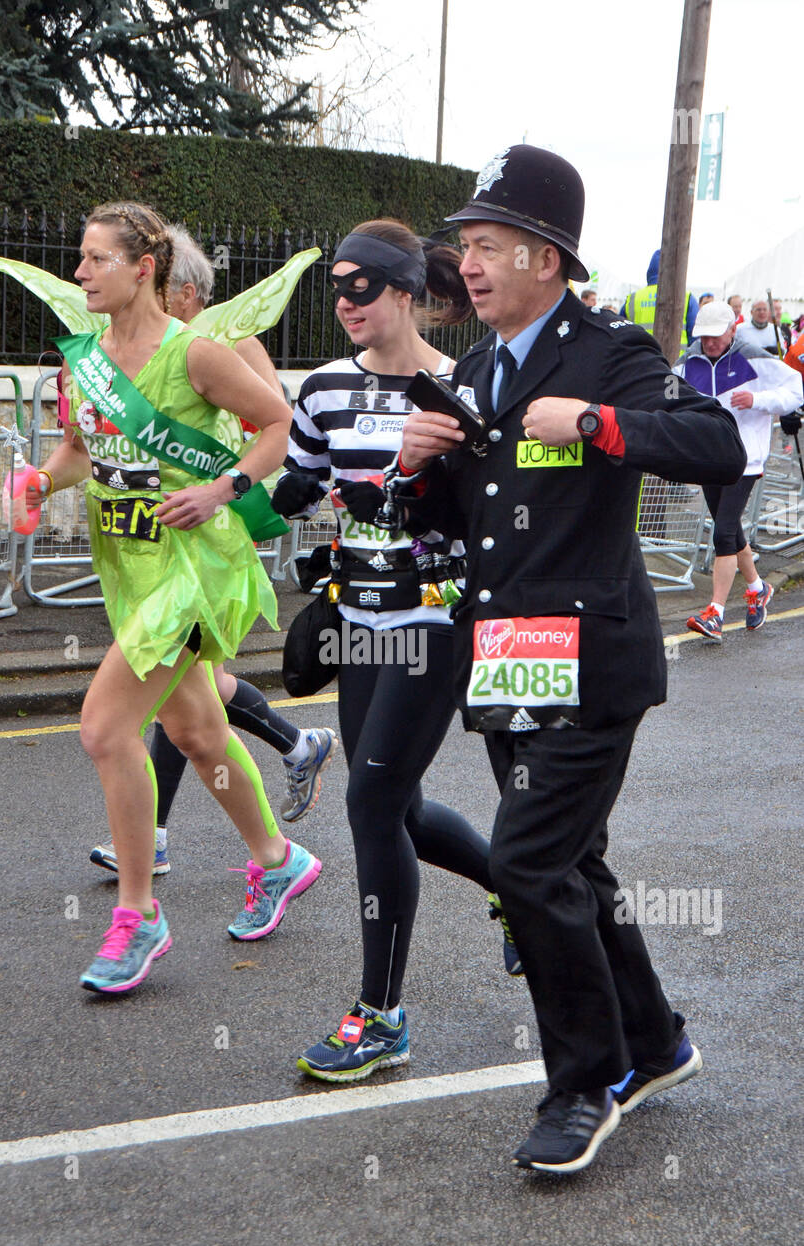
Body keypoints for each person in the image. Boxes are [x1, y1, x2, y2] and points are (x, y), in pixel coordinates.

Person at [399, 144, 747, 1174]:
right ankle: (654, 1041)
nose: (468, 262)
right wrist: (424, 469)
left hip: (594, 655)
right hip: (511, 653)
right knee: (572, 861)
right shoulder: (475, 368)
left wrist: (596, 423)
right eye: (464, 245)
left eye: (490, 244)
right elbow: (475, 519)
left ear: (547, 258)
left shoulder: (607, 351)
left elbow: (715, 442)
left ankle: (584, 1084)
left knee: (529, 861)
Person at [26, 201, 321, 992]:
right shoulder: (81, 359)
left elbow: (275, 423)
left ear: (142, 268)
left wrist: (223, 490)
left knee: (103, 728)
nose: (80, 272)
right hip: (127, 566)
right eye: (80, 259)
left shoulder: (195, 355)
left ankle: (137, 915)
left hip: (192, 570)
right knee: (195, 731)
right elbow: (78, 455)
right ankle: (277, 859)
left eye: (95, 259)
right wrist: (40, 479)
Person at [269, 218, 504, 1084]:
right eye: (336, 286)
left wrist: (386, 488)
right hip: (356, 623)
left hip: (435, 626)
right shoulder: (325, 388)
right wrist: (234, 493)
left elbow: (482, 507)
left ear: (404, 292)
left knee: (369, 802)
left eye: (360, 285)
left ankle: (381, 1016)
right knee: (395, 810)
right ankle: (511, 887)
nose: (344, 302)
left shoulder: (462, 387)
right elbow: (294, 483)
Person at [89, 225, 336, 880]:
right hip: (146, 547)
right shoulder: (115, 353)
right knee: (195, 715)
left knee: (121, 718)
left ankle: (145, 878)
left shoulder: (223, 343)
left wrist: (217, 474)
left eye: (165, 290)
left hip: (213, 533)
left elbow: (276, 421)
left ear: (186, 293)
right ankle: (279, 820)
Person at [674, 300, 802, 639]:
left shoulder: (754, 357)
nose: (710, 343)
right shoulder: (688, 362)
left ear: (733, 329)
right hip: (708, 458)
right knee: (729, 531)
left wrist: (757, 401)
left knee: (722, 533)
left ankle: (714, 613)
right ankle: (758, 588)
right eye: (704, 337)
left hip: (744, 460)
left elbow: (795, 390)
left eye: (716, 336)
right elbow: (665, 395)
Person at [623, 249, 698, 349]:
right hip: (676, 362)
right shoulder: (687, 298)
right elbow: (695, 337)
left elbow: (620, 334)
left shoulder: (633, 299)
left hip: (640, 361)